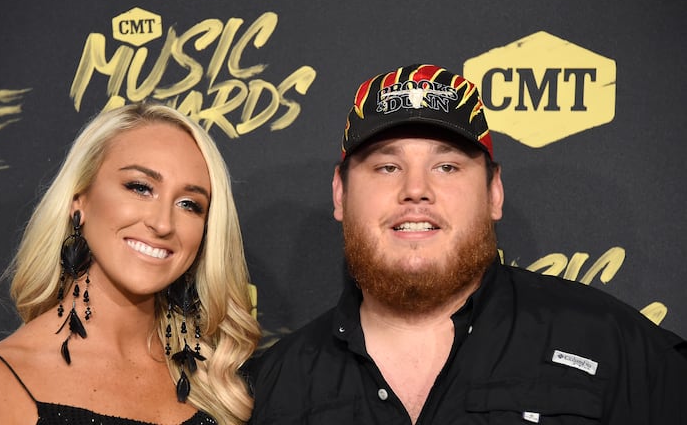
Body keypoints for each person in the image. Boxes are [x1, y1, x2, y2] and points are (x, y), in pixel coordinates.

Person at [247, 64, 687, 424]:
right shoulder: (267, 390)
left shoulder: (611, 346)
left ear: (494, 192)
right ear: (340, 195)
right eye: (386, 167)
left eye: (447, 167)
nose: (415, 189)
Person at [0, 103, 261, 425]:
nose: (163, 224)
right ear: (80, 202)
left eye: (190, 204)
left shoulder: (217, 383)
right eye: (140, 188)